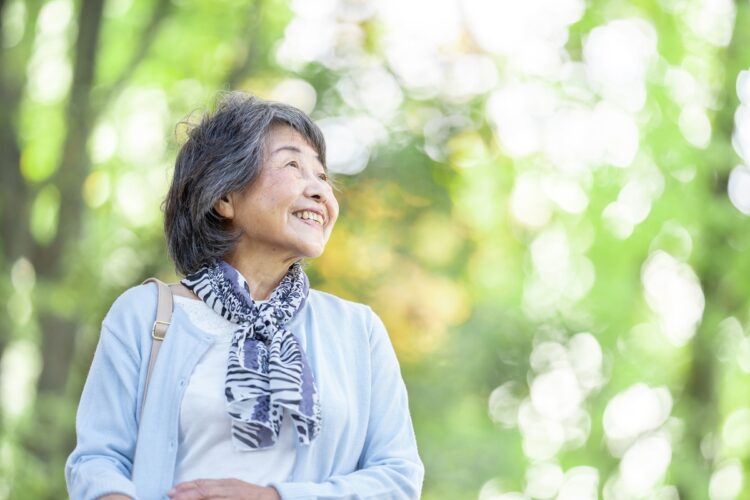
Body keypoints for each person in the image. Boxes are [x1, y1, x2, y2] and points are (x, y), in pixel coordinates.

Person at [65, 92, 424, 499]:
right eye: (293, 165)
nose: (320, 191)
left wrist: (273, 498)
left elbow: (397, 478)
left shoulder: (358, 331)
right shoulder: (145, 316)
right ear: (224, 198)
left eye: (323, 176)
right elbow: (96, 462)